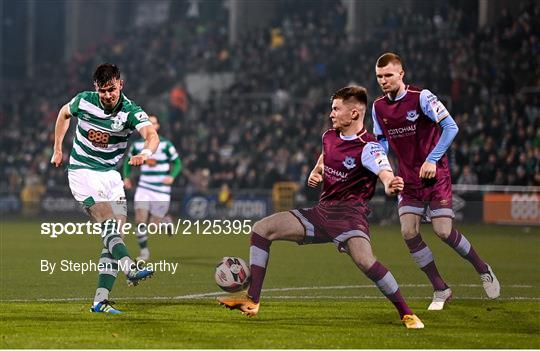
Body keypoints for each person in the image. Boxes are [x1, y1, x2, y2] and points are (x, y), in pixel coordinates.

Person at [218, 86, 424, 329]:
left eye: (336, 109)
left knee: (366, 262)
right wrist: (317, 171)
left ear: (355, 114)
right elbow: (326, 155)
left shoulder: (369, 147)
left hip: (349, 217)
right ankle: (252, 300)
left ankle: (407, 314)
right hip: (321, 213)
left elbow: (385, 174)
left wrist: (391, 184)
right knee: (262, 229)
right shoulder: (329, 136)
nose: (331, 114)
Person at [371, 52, 500, 310]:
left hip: (435, 175)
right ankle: (440, 288)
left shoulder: (422, 97)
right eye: (379, 77)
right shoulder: (378, 107)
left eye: (388, 75)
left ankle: (482, 268)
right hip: (407, 179)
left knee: (443, 231)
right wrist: (385, 169)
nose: (383, 80)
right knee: (408, 232)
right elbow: (380, 142)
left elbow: (451, 127)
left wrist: (432, 159)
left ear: (401, 74)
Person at [51, 63, 160, 314]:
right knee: (108, 222)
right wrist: (58, 148)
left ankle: (100, 301)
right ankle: (130, 269)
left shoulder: (131, 111)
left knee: (115, 236)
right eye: (103, 91)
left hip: (111, 177)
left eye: (112, 89)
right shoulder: (84, 101)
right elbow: (63, 114)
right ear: (95, 89)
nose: (108, 95)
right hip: (82, 172)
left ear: (121, 85)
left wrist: (144, 153)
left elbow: (151, 136)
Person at [123, 114, 182, 260]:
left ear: (158, 126)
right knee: (139, 219)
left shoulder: (166, 144)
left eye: (154, 123)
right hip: (144, 188)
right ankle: (144, 252)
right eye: (149, 123)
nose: (151, 125)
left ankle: (165, 221)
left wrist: (172, 176)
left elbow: (178, 163)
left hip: (161, 190)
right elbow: (127, 161)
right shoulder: (137, 145)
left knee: (154, 226)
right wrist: (126, 177)